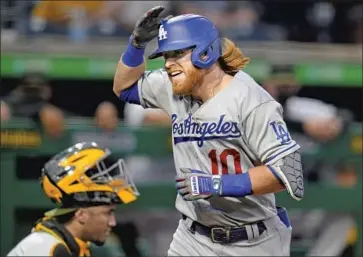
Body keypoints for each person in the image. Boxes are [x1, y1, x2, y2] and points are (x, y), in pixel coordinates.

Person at [113, 6, 304, 256]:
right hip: (192, 238)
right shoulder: (172, 86)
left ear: (205, 52)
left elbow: (290, 175)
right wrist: (136, 44)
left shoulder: (251, 100)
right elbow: (124, 88)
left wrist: (214, 184)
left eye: (177, 54)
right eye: (166, 57)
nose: (169, 65)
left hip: (252, 240)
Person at [7, 142, 140, 256]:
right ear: (81, 215)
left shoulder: (71, 246)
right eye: (107, 212)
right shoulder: (47, 248)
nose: (113, 222)